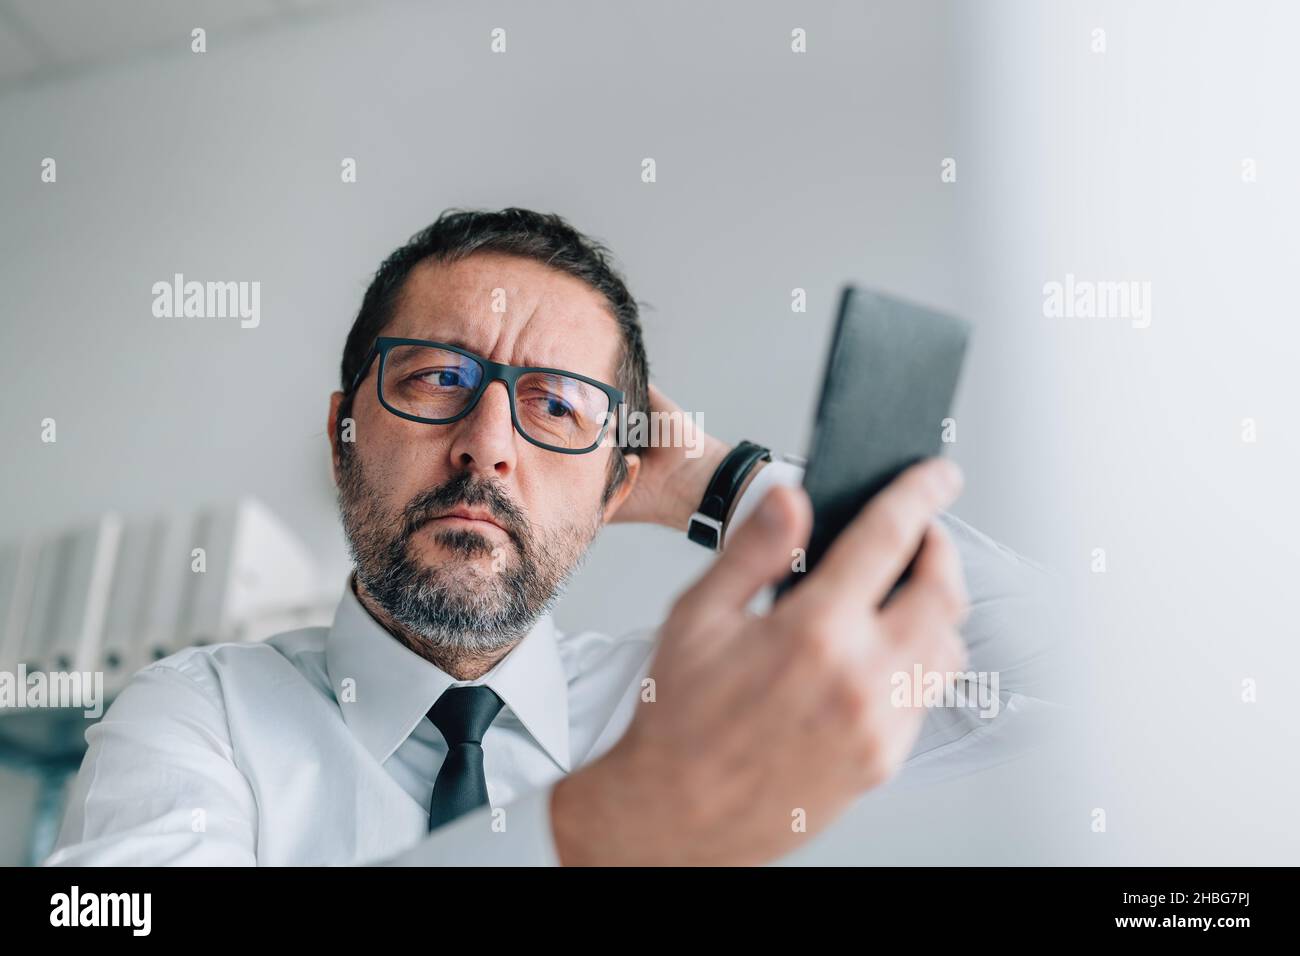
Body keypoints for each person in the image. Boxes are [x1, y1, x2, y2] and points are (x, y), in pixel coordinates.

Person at [46, 208, 1056, 866]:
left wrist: (713, 480)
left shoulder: (690, 706)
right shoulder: (194, 717)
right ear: (342, 430)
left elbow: (1063, 673)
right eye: (438, 378)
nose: (487, 447)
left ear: (618, 475)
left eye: (556, 406)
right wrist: (610, 823)